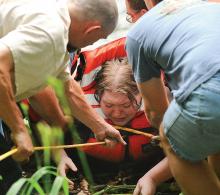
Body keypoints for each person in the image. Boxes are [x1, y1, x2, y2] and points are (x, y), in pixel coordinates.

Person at [0, 0, 126, 192]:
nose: (93, 43)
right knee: (12, 182)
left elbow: (67, 86)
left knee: (12, 179)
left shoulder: (55, 21)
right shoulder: (49, 33)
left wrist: (99, 125)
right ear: (92, 29)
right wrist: (19, 129)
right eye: (98, 38)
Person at [126, 0, 220, 194]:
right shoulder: (211, 5)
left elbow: (155, 112)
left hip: (212, 90)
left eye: (130, 16)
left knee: (171, 137)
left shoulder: (139, 32)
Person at [55, 42, 164, 185]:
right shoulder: (75, 100)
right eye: (108, 105)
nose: (117, 113)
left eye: (126, 105)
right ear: (98, 96)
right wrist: (60, 156)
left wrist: (153, 178)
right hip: (91, 168)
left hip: (148, 166)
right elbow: (47, 122)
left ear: (142, 94)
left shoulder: (163, 101)